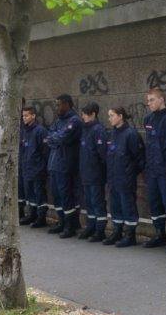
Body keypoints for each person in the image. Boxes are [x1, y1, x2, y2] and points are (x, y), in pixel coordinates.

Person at [142, 88, 166, 250]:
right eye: (148, 100)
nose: (148, 103)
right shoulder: (148, 119)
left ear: (161, 99)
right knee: (155, 203)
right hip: (152, 170)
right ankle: (160, 234)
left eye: (151, 100)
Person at [104, 106, 145, 247]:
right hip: (113, 178)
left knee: (128, 207)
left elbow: (139, 158)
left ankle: (130, 235)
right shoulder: (112, 134)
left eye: (112, 115)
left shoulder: (131, 134)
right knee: (115, 207)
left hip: (125, 179)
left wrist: (130, 173)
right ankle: (117, 232)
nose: (109, 118)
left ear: (120, 116)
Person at [45, 94, 83, 237]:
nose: (57, 107)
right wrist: (54, 137)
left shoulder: (74, 121)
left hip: (66, 165)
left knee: (66, 195)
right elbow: (49, 138)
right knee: (56, 195)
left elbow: (62, 138)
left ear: (67, 104)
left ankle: (70, 225)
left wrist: (54, 137)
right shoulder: (58, 121)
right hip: (54, 164)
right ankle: (61, 222)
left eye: (59, 104)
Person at [78, 102, 108, 241]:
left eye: (85, 114)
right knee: (89, 202)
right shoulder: (86, 129)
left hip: (95, 173)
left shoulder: (98, 130)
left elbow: (102, 154)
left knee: (97, 202)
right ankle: (91, 226)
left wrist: (99, 170)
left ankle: (100, 230)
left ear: (93, 115)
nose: (82, 116)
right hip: (86, 172)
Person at [19, 106, 49, 228]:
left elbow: (45, 151)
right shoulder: (24, 131)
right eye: (23, 116)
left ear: (33, 116)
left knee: (39, 194)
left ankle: (41, 217)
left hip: (37, 169)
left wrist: (42, 167)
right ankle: (32, 214)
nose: (24, 118)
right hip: (26, 168)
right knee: (29, 193)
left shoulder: (40, 131)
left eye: (26, 115)